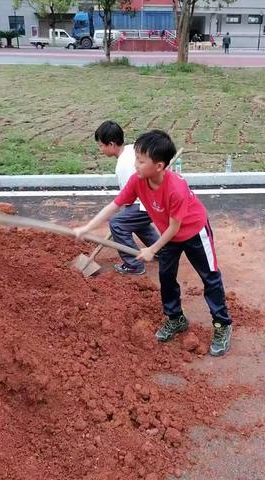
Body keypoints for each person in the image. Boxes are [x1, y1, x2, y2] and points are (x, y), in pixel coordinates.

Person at [74, 130, 233, 357]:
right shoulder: (137, 181)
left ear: (159, 166)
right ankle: (175, 318)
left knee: (210, 277)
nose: (135, 164)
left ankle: (222, 325)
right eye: (136, 158)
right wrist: (87, 228)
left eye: (141, 160)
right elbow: (115, 205)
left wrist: (152, 249)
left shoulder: (175, 189)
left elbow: (174, 228)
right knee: (166, 277)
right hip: (169, 236)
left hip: (195, 231)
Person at [94, 121, 159, 275]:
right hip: (153, 201)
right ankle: (161, 250)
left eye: (101, 145)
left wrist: (126, 213)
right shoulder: (131, 150)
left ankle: (134, 265)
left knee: (118, 223)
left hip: (147, 204)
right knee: (134, 221)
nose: (100, 149)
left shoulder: (122, 167)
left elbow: (128, 199)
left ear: (111, 144)